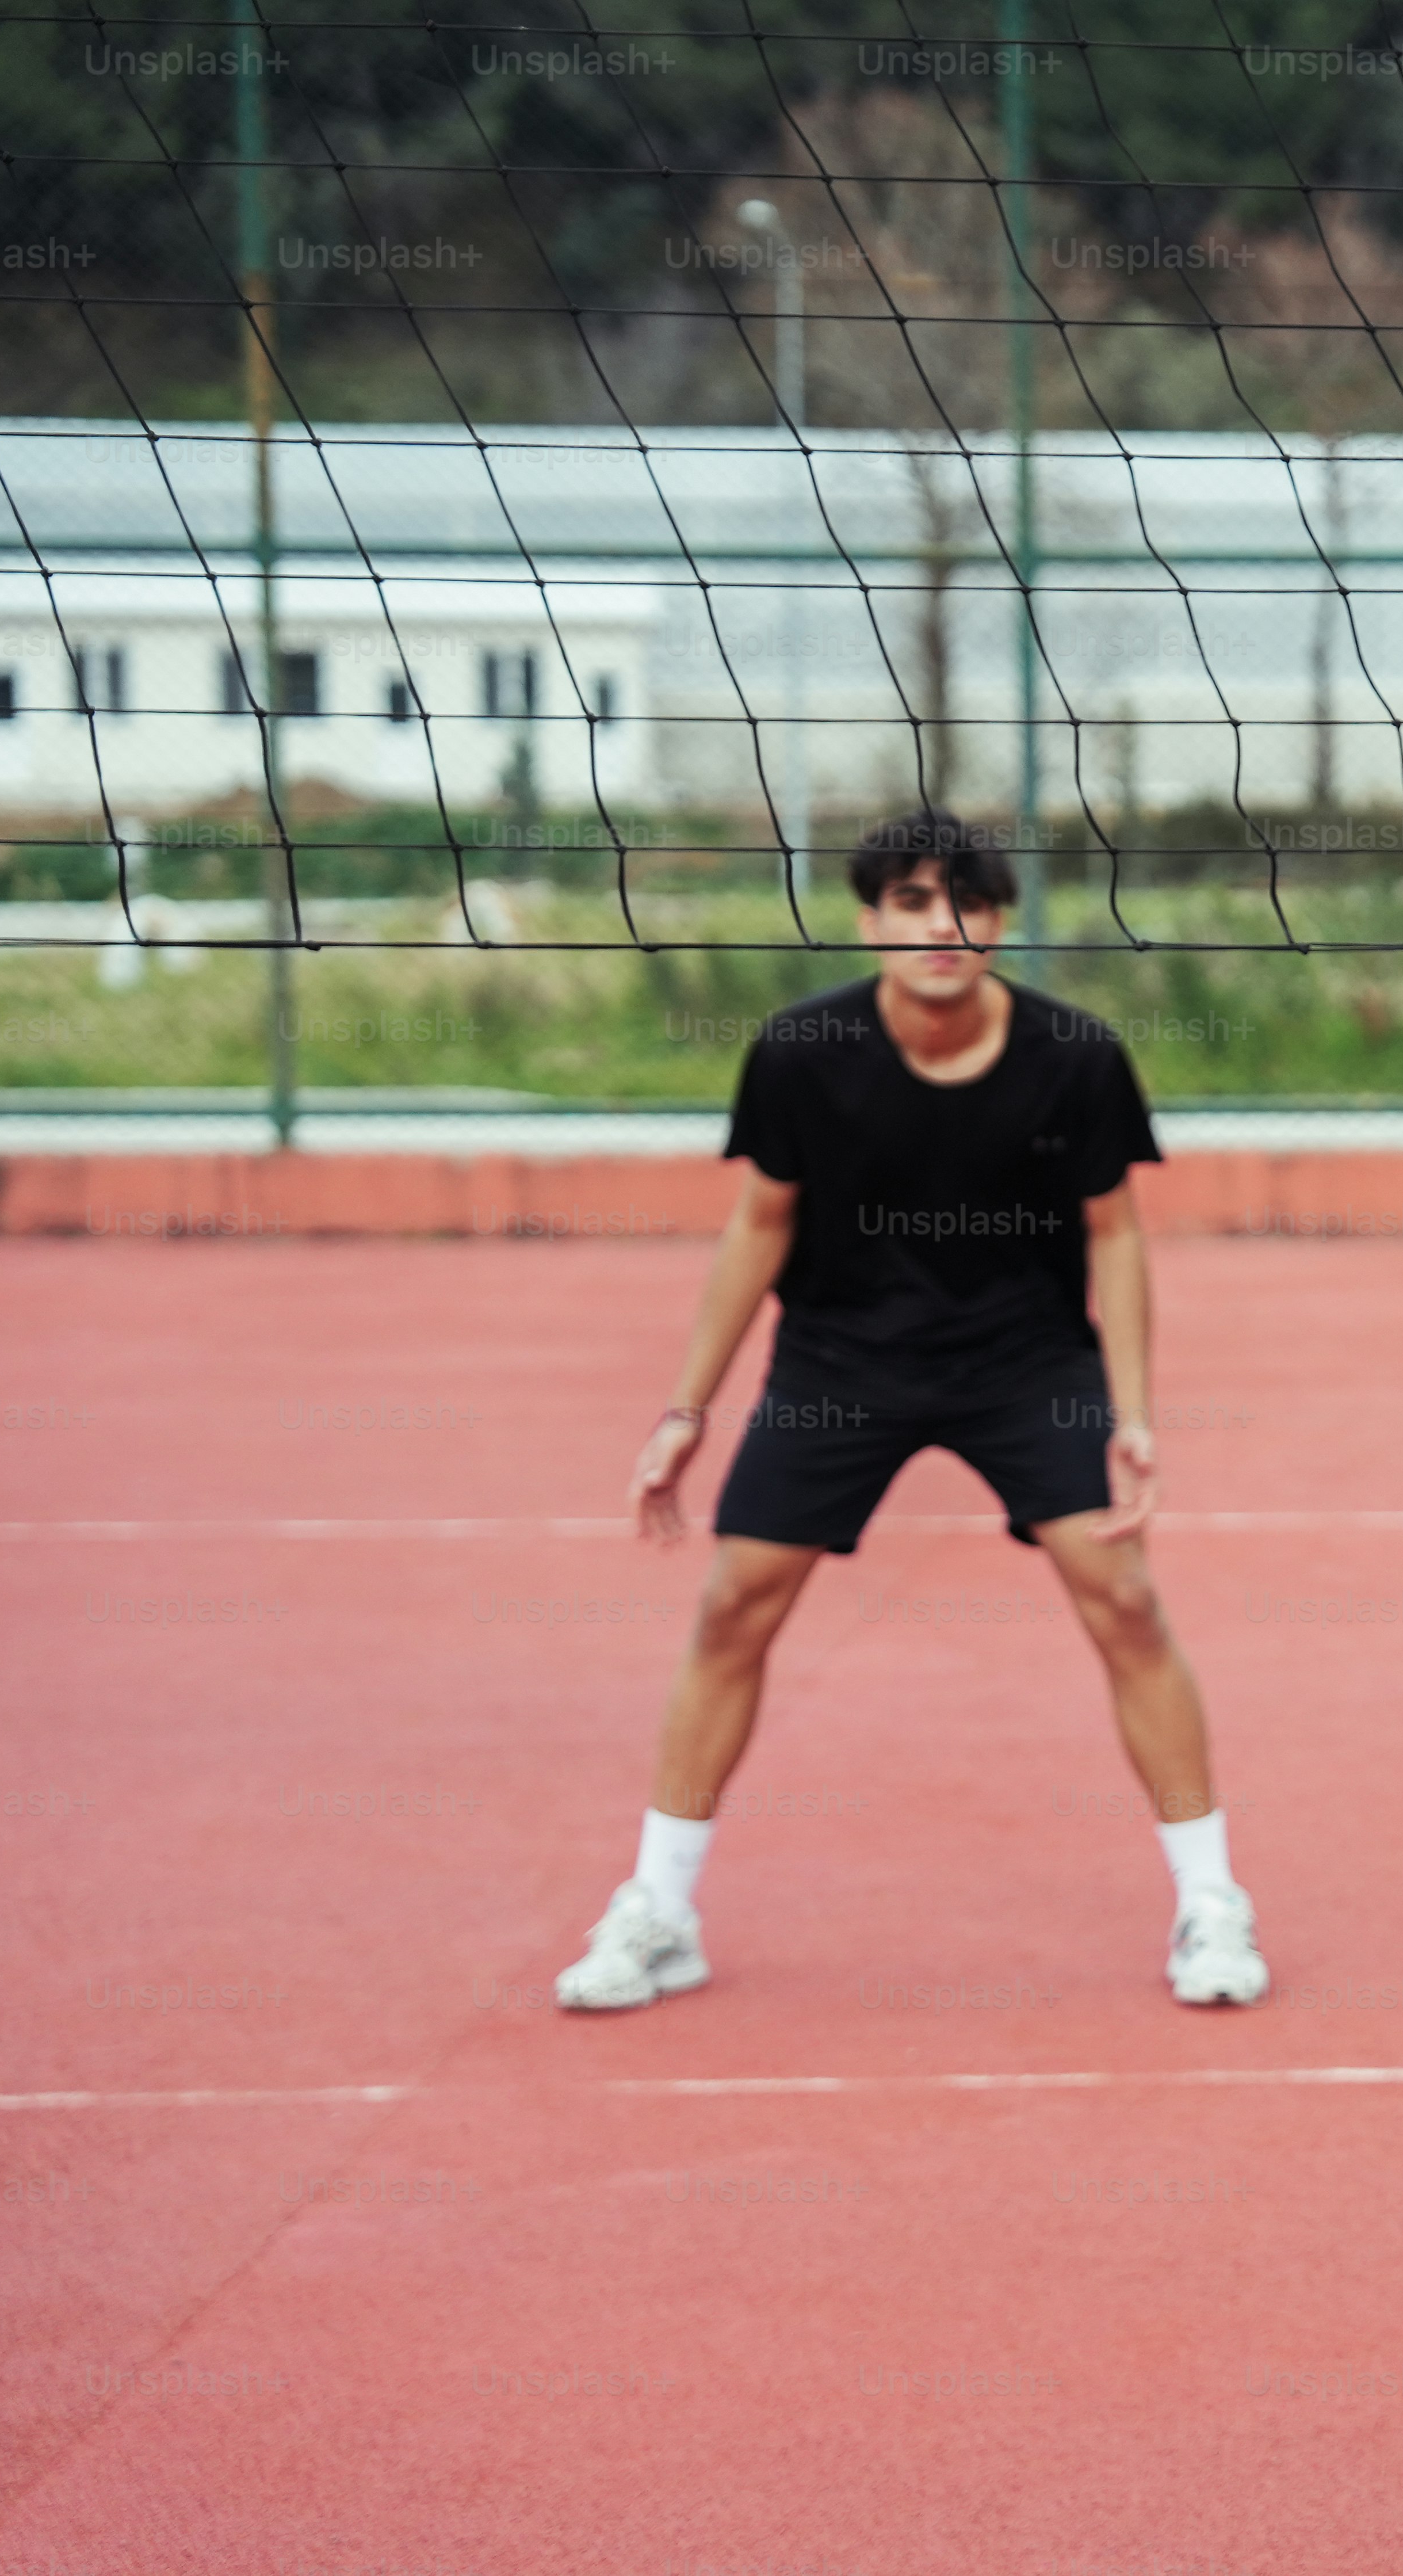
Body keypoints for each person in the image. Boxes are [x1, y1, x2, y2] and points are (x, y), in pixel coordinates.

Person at [553, 808, 1267, 2013]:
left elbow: (1116, 1237)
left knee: (1125, 1599)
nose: (942, 925)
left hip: (1024, 1360)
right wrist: (687, 1408)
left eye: (969, 902)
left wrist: (1133, 1413)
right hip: (839, 1358)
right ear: (868, 918)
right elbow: (760, 1225)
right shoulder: (799, 1051)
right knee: (734, 1602)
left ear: (999, 921)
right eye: (912, 901)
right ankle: (660, 1910)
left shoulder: (1077, 1057)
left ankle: (1212, 1903)